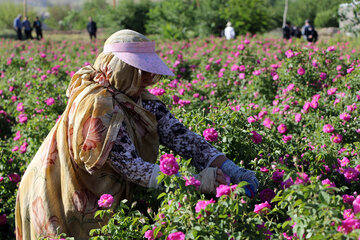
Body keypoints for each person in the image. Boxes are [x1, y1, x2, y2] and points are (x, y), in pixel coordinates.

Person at [15, 29, 258, 239]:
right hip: (57, 195)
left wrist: (231, 168)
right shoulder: (98, 106)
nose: (149, 78)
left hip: (98, 198)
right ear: (120, 69)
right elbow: (132, 167)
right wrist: (197, 181)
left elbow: (182, 138)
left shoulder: (139, 101)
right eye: (140, 71)